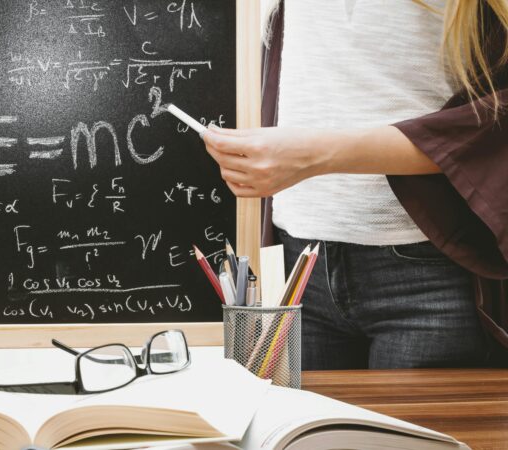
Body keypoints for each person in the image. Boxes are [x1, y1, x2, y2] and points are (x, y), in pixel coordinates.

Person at [203, 0, 508, 369]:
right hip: (292, 265)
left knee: (413, 429)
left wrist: (320, 155)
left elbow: (496, 120)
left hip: (428, 269)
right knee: (298, 428)